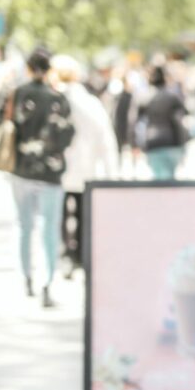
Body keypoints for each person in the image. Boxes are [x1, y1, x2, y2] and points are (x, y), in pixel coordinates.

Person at [0, 47, 76, 307]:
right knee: (50, 228)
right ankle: (47, 282)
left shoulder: (17, 94)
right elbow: (67, 135)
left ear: (29, 68)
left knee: (24, 225)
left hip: (21, 169)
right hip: (50, 172)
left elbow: (2, 125)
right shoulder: (58, 98)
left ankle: (26, 277)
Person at [51, 55, 118, 278]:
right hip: (85, 167)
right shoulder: (89, 101)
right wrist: (111, 172)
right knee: (81, 212)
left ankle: (65, 254)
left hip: (58, 168)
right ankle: (78, 253)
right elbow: (105, 138)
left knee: (59, 213)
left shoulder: (54, 99)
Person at [136, 65, 188, 180]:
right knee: (168, 179)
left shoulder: (145, 97)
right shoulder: (172, 97)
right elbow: (179, 120)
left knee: (159, 179)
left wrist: (135, 144)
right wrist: (183, 143)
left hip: (153, 142)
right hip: (170, 141)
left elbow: (136, 122)